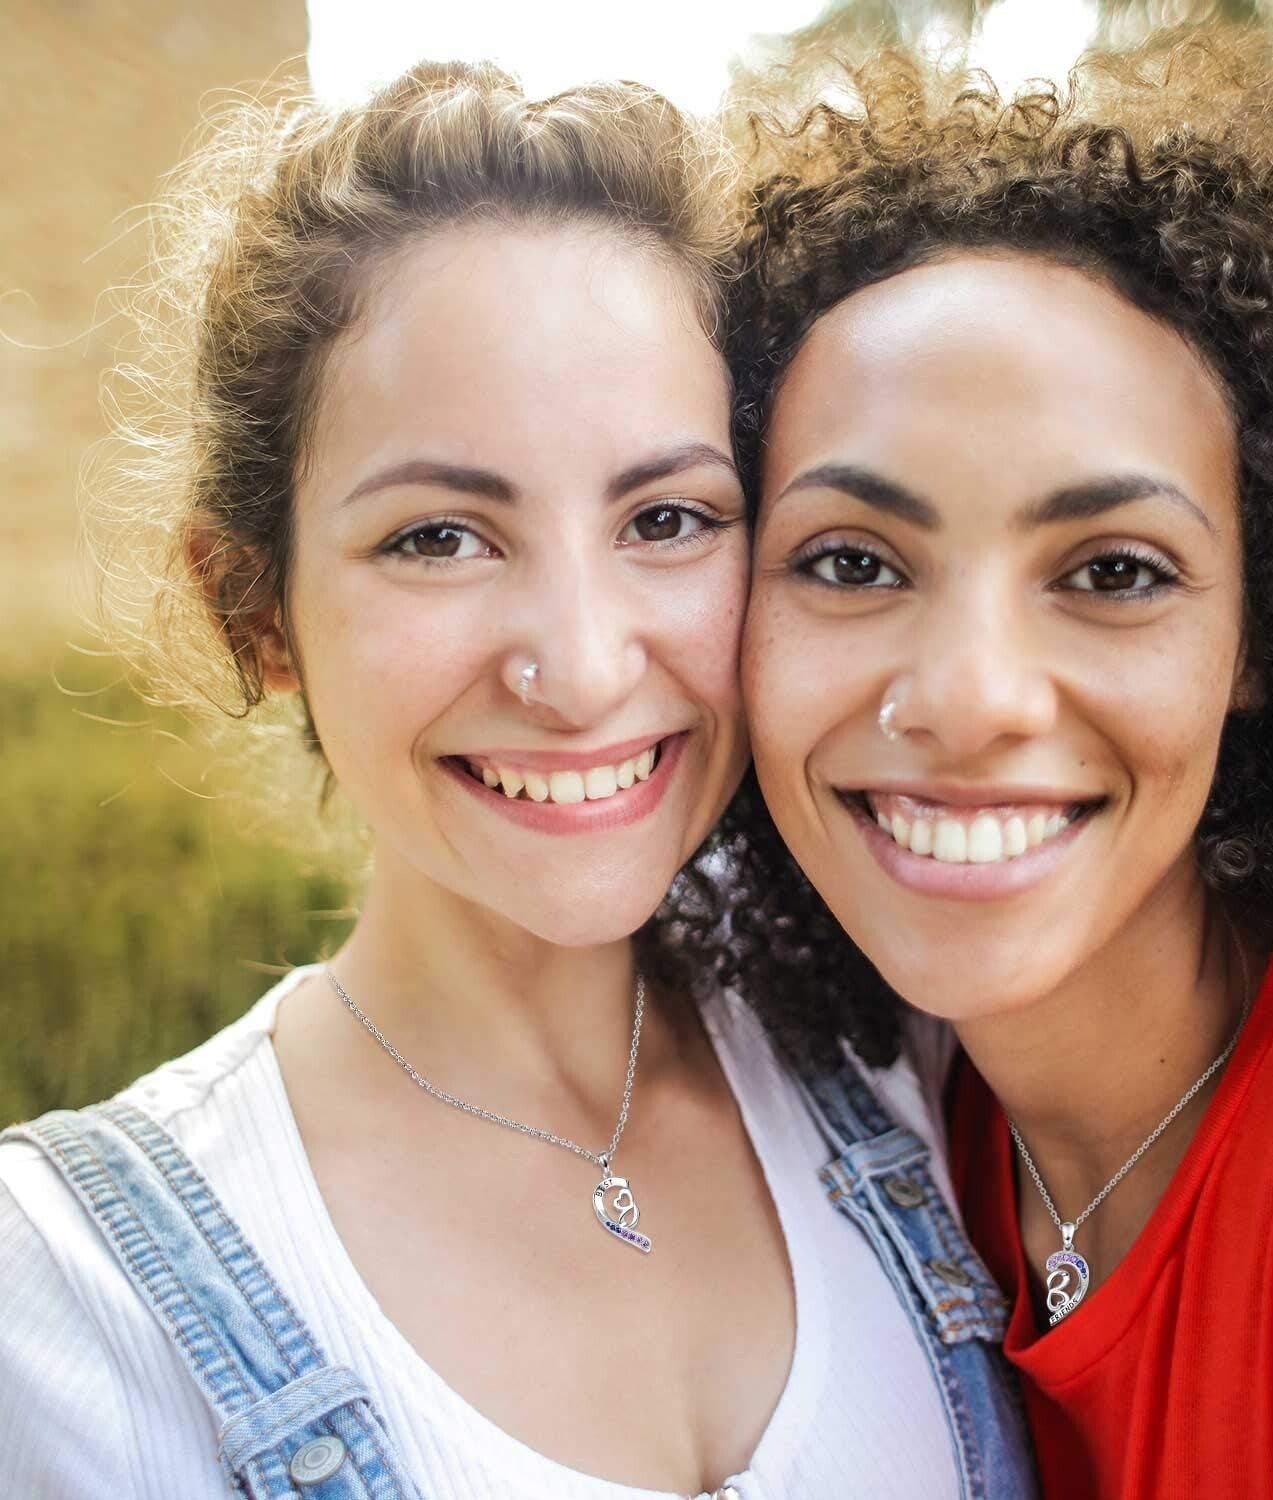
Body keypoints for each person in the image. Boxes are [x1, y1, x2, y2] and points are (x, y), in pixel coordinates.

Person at [0, 63, 1033, 1500]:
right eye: (439, 538)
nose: (585, 668)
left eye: (666, 519)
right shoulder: (67, 1303)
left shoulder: (924, 1044)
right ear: (255, 609)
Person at [722, 35, 1273, 1498]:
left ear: (1268, 628)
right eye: (852, 561)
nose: (971, 701)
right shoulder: (907, 1113)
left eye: (1115, 572)